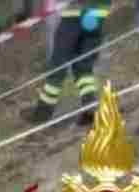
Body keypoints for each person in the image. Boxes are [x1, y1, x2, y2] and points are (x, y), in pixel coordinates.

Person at [21, 0, 111, 128]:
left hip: (74, 14)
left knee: (58, 64)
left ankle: (43, 111)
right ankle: (90, 106)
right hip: (97, 14)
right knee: (83, 67)